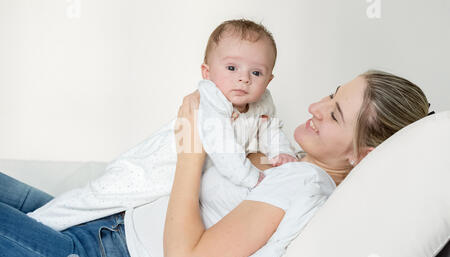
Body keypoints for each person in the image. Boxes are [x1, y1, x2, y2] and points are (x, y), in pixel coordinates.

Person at [0, 68, 431, 257]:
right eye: (331, 94)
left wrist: (191, 148)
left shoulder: (304, 184)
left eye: (335, 114)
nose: (317, 107)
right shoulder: (293, 162)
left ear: (364, 155)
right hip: (106, 226)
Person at [24, 19, 297, 232]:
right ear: (207, 73)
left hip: (175, 183)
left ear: (269, 79)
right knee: (92, 201)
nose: (244, 79)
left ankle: (35, 221)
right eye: (232, 68)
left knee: (95, 214)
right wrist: (252, 179)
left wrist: (281, 154)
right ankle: (33, 225)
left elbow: (270, 129)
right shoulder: (211, 100)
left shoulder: (263, 102)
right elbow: (224, 150)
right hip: (149, 169)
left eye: (256, 72)